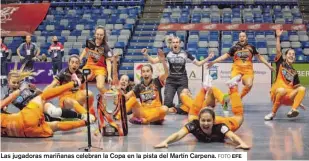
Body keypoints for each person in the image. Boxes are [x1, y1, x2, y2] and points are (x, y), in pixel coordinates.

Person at [154, 75, 249, 150]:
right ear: (199, 120)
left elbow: (232, 136)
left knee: (239, 116)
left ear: (213, 121)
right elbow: (179, 134)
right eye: (203, 121)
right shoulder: (194, 124)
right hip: (203, 111)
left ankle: (227, 88)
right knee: (192, 115)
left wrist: (242, 143)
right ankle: (229, 87)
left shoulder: (221, 126)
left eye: (208, 121)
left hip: (222, 120)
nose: (206, 123)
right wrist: (165, 142)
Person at [1, 67, 87, 138]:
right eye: (13, 82)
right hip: (30, 113)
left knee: (55, 112)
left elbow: (40, 93)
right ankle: (80, 121)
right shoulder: (8, 96)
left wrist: (37, 91)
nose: (16, 84)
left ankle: (81, 115)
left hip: (40, 103)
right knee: (55, 121)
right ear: (8, 82)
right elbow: (4, 110)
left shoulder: (24, 85)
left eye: (17, 82)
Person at [142, 36, 214, 113]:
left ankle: (176, 108)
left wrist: (208, 58)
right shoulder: (167, 54)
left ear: (179, 44)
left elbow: (199, 64)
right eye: (173, 42)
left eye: (177, 42)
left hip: (182, 81)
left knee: (184, 107)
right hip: (170, 81)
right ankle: (172, 106)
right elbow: (153, 61)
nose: (175, 44)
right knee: (167, 104)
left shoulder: (186, 53)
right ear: (171, 44)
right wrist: (146, 54)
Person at [207, 32, 273, 99]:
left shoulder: (251, 47)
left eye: (243, 36)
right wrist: (213, 62)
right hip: (236, 69)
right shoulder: (234, 48)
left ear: (246, 38)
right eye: (240, 36)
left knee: (249, 84)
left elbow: (260, 57)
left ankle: (240, 97)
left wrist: (268, 65)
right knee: (233, 86)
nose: (242, 37)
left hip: (248, 70)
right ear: (239, 38)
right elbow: (224, 56)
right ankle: (226, 101)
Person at [264, 29, 307, 120]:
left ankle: (293, 109)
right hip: (277, 93)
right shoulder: (281, 63)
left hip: (288, 96)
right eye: (289, 54)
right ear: (285, 56)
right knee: (281, 90)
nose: (291, 55)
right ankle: (272, 113)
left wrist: (298, 101)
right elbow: (278, 50)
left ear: (295, 58)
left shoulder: (294, 73)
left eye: (293, 54)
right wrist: (278, 37)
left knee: (302, 88)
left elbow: (297, 89)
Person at [124, 50, 169, 124]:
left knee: (165, 108)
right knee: (132, 99)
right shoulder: (138, 86)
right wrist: (118, 91)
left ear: (151, 72)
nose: (145, 73)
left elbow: (166, 73)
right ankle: (119, 116)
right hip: (144, 112)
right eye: (143, 71)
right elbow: (126, 96)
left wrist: (163, 61)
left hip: (156, 112)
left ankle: (145, 121)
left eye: (148, 71)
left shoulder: (157, 81)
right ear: (141, 74)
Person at [45, 55, 96, 120]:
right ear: (69, 63)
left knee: (89, 94)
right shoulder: (63, 73)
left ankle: (87, 112)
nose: (74, 64)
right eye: (72, 62)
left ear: (79, 64)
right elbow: (52, 85)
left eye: (77, 63)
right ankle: (86, 115)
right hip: (65, 99)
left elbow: (83, 88)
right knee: (73, 102)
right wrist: (42, 95)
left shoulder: (80, 74)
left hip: (76, 95)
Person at [79, 26, 113, 95]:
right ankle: (83, 97)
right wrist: (79, 59)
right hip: (89, 66)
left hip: (100, 68)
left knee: (100, 86)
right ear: (95, 34)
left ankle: (106, 97)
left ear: (104, 36)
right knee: (80, 81)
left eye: (101, 35)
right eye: (97, 34)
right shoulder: (90, 42)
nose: (99, 36)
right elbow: (85, 51)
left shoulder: (106, 47)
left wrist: (109, 75)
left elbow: (108, 62)